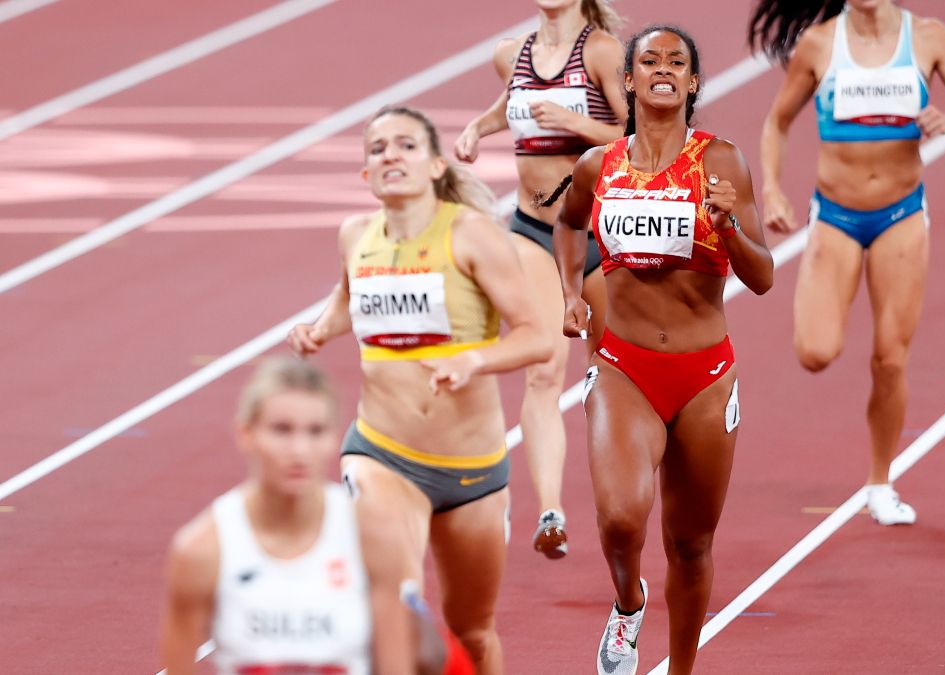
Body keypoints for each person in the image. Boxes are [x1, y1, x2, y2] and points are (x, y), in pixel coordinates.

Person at [286, 105, 550, 674]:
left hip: (473, 469)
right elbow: (345, 302)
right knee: (396, 615)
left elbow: (536, 338)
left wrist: (474, 359)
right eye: (378, 149)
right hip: (383, 454)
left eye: (405, 145)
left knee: (472, 636)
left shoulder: (472, 235)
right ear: (365, 175)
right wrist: (315, 330)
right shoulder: (356, 235)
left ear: (434, 165)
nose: (390, 157)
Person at [547, 24, 774, 674]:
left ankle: (681, 668)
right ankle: (628, 601)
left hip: (705, 377)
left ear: (695, 81)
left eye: (678, 61)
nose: (664, 69)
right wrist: (570, 291)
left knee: (691, 541)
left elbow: (761, 278)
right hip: (625, 366)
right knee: (621, 519)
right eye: (650, 60)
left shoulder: (721, 160)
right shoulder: (599, 166)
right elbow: (566, 224)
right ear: (629, 80)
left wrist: (728, 225)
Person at [750, 0, 945, 524]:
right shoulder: (821, 44)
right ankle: (878, 479)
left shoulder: (928, 38)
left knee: (890, 359)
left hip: (901, 217)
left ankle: (880, 483)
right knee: (815, 351)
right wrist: (771, 190)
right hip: (836, 217)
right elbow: (776, 122)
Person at [454, 0, 628, 559]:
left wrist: (576, 123)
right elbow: (513, 105)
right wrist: (477, 129)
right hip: (531, 227)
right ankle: (551, 510)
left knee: (610, 376)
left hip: (599, 229)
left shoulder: (600, 51)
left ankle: (621, 498)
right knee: (543, 370)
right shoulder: (512, 54)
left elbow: (633, 128)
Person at [159, 356, 421, 674]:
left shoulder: (372, 538)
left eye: (315, 431)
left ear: (333, 437)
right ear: (246, 434)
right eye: (282, 430)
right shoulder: (201, 551)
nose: (299, 450)